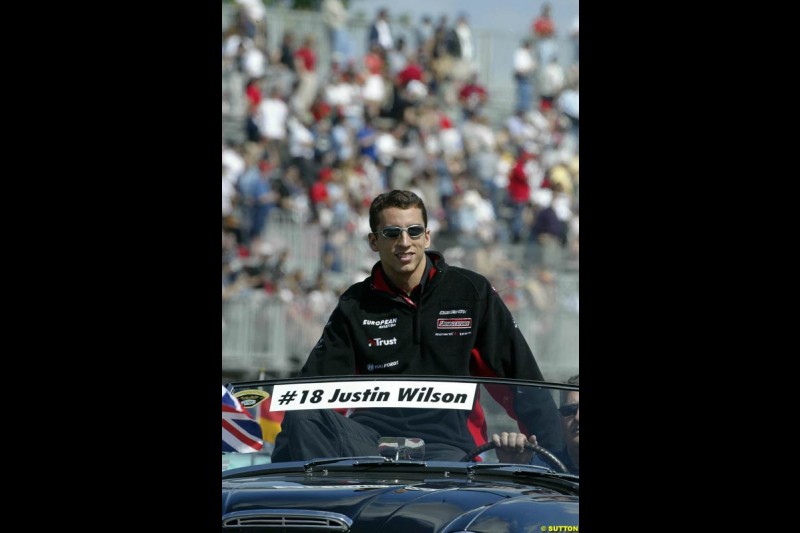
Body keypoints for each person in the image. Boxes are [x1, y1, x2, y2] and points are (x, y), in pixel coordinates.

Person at [272, 189, 562, 462]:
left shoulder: (471, 291)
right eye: (392, 233)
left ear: (427, 237)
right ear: (374, 241)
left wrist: (561, 459)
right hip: (370, 443)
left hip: (447, 446)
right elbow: (312, 392)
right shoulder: (355, 303)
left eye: (413, 231)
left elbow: (522, 381)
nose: (404, 242)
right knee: (303, 415)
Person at [493, 374, 579, 474]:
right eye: (568, 410)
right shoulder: (537, 467)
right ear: (561, 419)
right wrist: (510, 465)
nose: (577, 417)